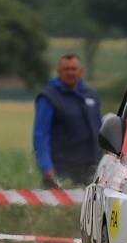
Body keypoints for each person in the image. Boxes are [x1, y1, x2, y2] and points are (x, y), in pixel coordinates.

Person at [33, 53, 102, 188]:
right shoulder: (49, 98)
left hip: (90, 168)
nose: (70, 73)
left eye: (74, 69)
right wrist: (47, 167)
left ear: (81, 71)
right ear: (59, 72)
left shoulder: (92, 95)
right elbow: (40, 135)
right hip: (61, 169)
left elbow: (100, 129)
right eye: (66, 69)